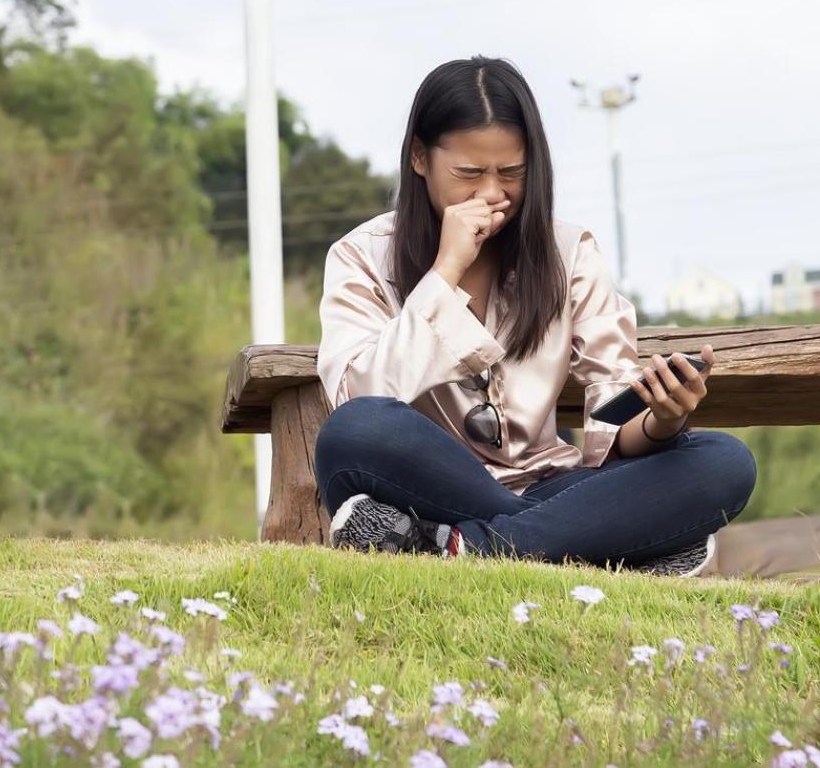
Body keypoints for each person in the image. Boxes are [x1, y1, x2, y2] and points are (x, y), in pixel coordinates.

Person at [313, 56, 757, 577]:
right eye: (468, 173)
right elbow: (357, 393)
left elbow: (612, 426)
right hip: (426, 488)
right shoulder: (361, 254)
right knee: (355, 429)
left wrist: (664, 419)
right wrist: (445, 271)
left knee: (724, 462)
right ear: (419, 158)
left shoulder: (569, 252)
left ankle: (460, 549)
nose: (492, 194)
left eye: (512, 173)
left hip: (552, 484)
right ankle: (606, 549)